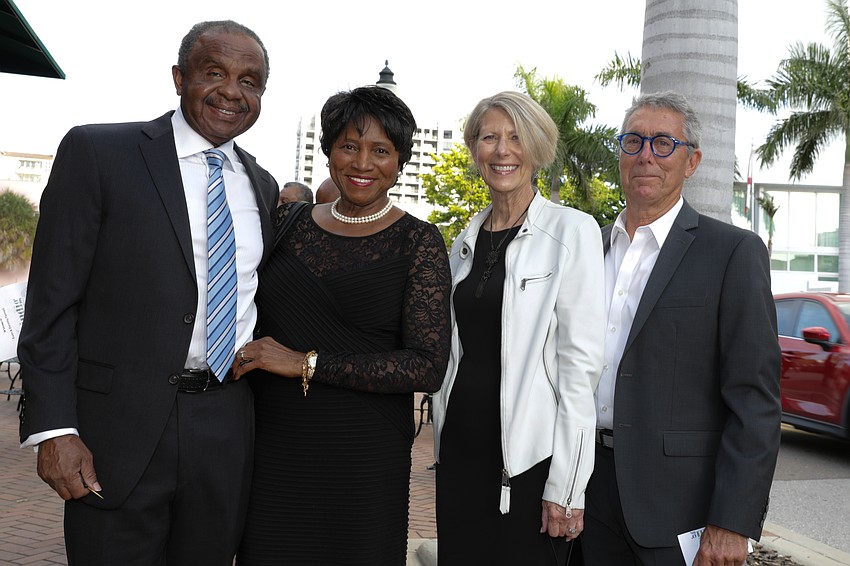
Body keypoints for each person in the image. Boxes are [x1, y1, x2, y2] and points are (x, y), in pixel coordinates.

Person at [17, 20, 279, 566]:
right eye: (215, 73)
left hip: (225, 426)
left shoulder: (263, 185)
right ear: (179, 77)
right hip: (115, 433)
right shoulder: (99, 152)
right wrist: (53, 429)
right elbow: (51, 305)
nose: (233, 91)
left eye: (250, 81)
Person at [233, 85, 451, 565]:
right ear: (328, 149)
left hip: (362, 458)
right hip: (273, 447)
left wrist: (306, 363)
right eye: (350, 146)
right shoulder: (287, 223)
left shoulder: (418, 243)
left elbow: (426, 367)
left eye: (381, 151)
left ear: (400, 161)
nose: (363, 163)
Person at [581, 91, 781, 566]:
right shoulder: (586, 248)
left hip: (676, 507)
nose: (646, 155)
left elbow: (754, 400)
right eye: (633, 141)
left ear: (691, 162)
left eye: (663, 143)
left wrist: (732, 520)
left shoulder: (732, 252)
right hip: (582, 493)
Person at [432, 91, 605, 565]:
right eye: (489, 137)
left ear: (538, 149)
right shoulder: (463, 241)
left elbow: (580, 369)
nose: (503, 150)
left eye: (516, 137)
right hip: (460, 455)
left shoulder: (572, 232)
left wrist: (567, 486)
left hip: (530, 463)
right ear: (474, 150)